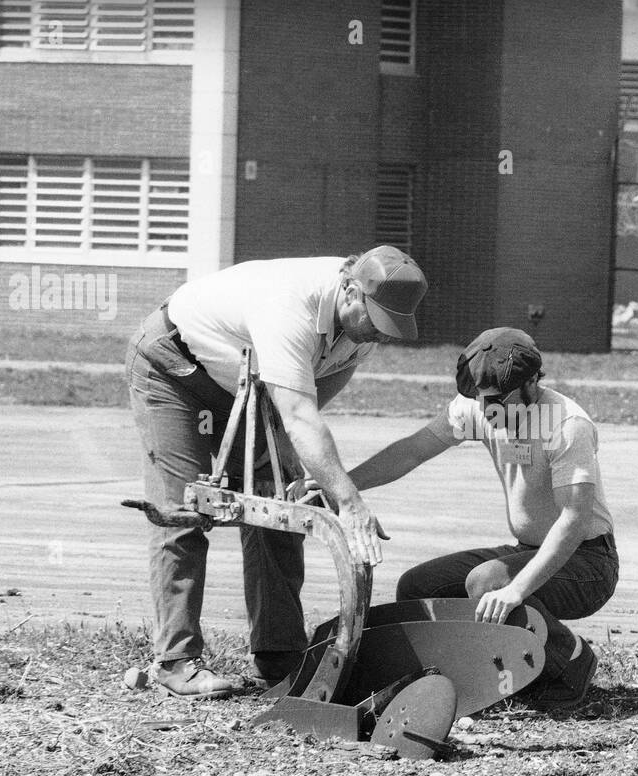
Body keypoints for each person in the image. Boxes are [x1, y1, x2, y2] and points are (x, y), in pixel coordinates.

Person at [125, 246, 428, 698]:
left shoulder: (361, 325)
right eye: (375, 321)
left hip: (251, 384)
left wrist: (296, 463)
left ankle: (279, 658)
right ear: (349, 290)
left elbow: (321, 386)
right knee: (186, 511)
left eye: (388, 327)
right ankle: (175, 660)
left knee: (282, 506)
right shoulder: (288, 307)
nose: (377, 336)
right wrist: (348, 501)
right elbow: (301, 415)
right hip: (175, 370)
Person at [346, 327, 618, 709]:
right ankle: (451, 680)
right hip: (529, 549)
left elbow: (573, 520)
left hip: (589, 563)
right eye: (479, 399)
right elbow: (412, 451)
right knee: (418, 587)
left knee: (488, 581)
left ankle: (570, 660)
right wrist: (341, 485)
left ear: (530, 384)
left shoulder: (566, 424)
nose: (487, 412)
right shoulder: (480, 407)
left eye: (497, 401)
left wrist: (516, 589)